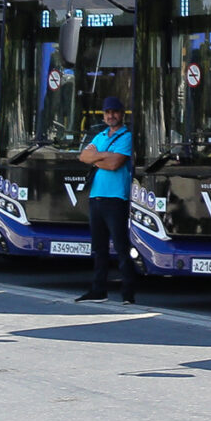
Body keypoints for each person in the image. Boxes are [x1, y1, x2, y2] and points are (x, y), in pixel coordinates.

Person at [77, 95, 137, 305]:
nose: (111, 116)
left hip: (116, 198)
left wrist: (96, 158)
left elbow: (115, 164)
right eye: (107, 112)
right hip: (96, 197)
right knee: (99, 247)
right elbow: (83, 157)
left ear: (122, 114)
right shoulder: (101, 135)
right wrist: (103, 156)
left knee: (121, 247)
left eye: (115, 112)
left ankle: (128, 293)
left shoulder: (127, 136)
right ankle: (98, 290)